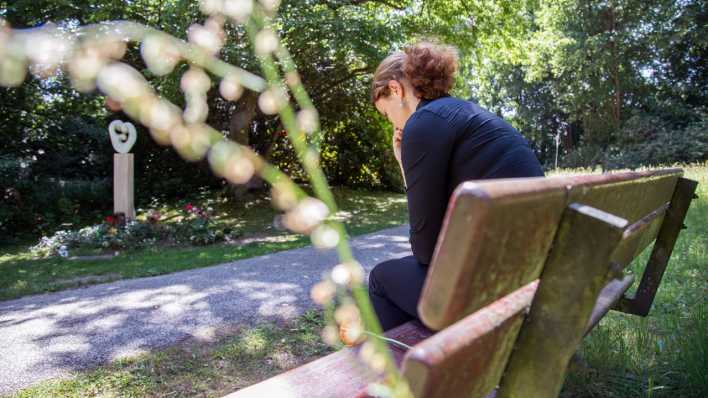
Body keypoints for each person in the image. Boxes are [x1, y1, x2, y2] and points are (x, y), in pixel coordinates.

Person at [368, 41, 545, 331]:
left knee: (381, 278)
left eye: (387, 114)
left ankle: (415, 372)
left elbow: (426, 251)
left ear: (396, 90)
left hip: (492, 293)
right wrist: (405, 164)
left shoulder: (423, 124)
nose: (394, 125)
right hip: (526, 278)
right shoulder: (467, 115)